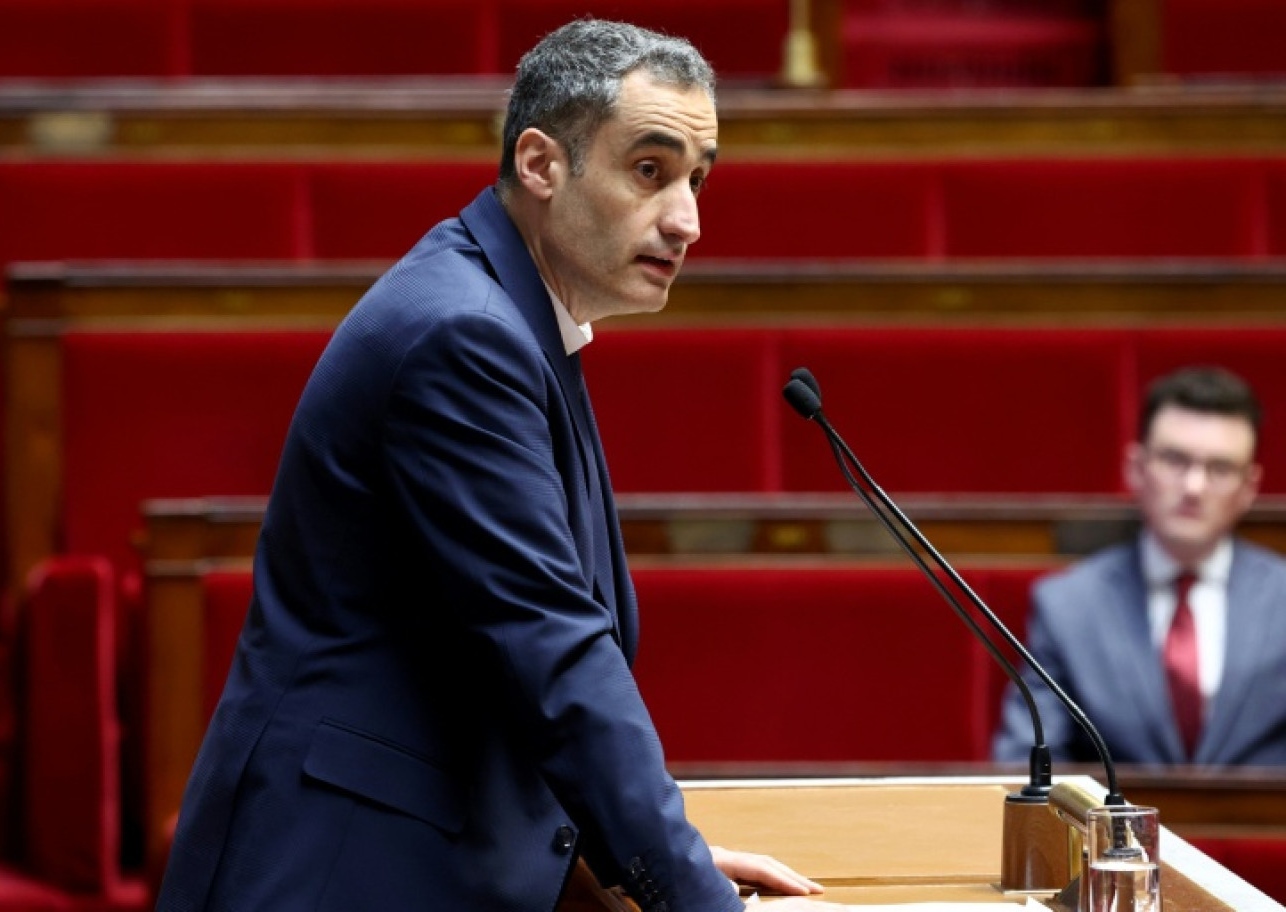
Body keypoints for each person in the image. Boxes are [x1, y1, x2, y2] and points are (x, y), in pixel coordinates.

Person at [156, 19, 833, 912]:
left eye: (696, 179)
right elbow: (553, 652)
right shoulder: (463, 335)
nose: (687, 219)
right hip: (339, 872)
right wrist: (684, 892)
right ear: (542, 165)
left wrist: (662, 861)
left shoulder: (510, 317)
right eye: (649, 171)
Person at [994, 365, 1286, 767]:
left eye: (1219, 468)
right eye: (1174, 460)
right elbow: (1027, 764)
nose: (1194, 487)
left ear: (1249, 488)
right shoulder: (1069, 606)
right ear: (1136, 468)